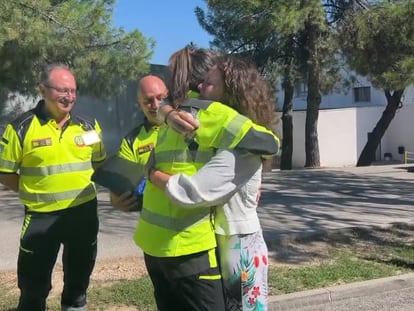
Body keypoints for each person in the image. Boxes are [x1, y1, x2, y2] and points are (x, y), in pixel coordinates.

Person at [133, 46, 280, 311]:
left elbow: (269, 143)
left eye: (210, 84)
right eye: (203, 81)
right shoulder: (198, 115)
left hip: (224, 244)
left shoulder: (192, 117)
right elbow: (269, 142)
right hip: (194, 245)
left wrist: (152, 173)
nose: (202, 87)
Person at [0, 64, 106, 311]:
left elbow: (100, 164)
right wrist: (34, 190)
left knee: (79, 280)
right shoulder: (21, 127)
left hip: (83, 215)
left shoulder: (90, 126)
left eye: (73, 91)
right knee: (33, 285)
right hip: (41, 217)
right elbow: (4, 172)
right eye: (62, 90)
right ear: (42, 90)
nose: (69, 97)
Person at [109, 75, 167, 212]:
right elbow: (121, 185)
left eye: (160, 98)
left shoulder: (186, 126)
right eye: (148, 100)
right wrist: (116, 198)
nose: (156, 105)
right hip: (153, 224)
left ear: (169, 95)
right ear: (139, 103)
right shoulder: (131, 141)